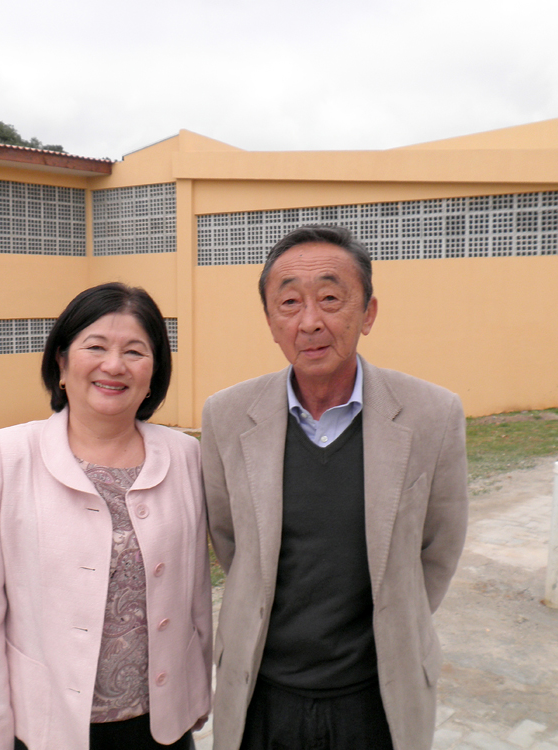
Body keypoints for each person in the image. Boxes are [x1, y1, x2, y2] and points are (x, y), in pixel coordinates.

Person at [202, 225, 468, 750]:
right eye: (290, 303)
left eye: (330, 298)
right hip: (262, 694)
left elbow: (438, 550)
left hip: (375, 699)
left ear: (367, 313)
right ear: (270, 321)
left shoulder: (433, 414)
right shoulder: (227, 416)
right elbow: (230, 542)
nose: (310, 322)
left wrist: (395, 620)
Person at [0, 282, 212, 750]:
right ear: (62, 362)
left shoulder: (185, 456)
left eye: (135, 351)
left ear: (155, 373)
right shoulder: (9, 456)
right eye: (95, 347)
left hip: (159, 729)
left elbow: (195, 596)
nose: (114, 365)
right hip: (47, 728)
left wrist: (197, 697)